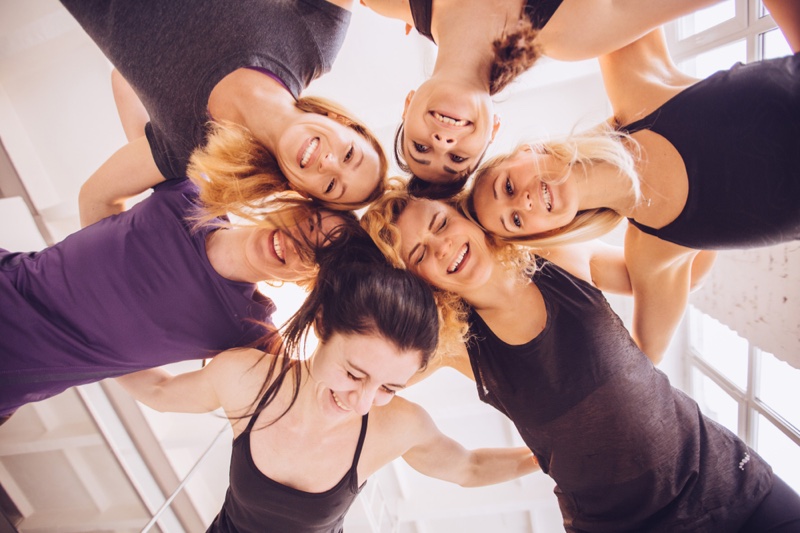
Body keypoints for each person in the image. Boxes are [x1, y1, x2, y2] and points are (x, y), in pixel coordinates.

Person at [361, 188, 800, 532]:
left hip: (724, 479)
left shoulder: (558, 254)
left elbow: (670, 275)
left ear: (463, 213)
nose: (440, 247)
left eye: (440, 223)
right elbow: (362, 376)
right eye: (418, 255)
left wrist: (702, 221)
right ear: (417, 283)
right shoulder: (454, 345)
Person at [116, 241, 540, 532]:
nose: (362, 400)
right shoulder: (246, 379)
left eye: (388, 387)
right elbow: (159, 393)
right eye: (354, 374)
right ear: (322, 325)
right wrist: (82, 341)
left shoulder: (395, 426)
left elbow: (469, 468)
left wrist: (552, 456)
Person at [466, 26, 800, 362]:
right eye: (516, 220)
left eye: (507, 186)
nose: (521, 201)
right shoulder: (654, 254)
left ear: (525, 151)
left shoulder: (638, 86)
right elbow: (644, 362)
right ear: (544, 232)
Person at [0, 154, 361, 423]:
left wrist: (106, 354)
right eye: (312, 223)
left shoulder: (250, 330)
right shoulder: (195, 192)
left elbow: (320, 393)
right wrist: (100, 268)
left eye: (316, 256)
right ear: (296, 204)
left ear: (306, 280)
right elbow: (125, 83)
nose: (300, 240)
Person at [61, 0, 388, 225]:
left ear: (303, 192)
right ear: (344, 123)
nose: (328, 164)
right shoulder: (313, 41)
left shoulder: (190, 151)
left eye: (331, 186)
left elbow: (94, 198)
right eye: (348, 155)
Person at [361, 0, 727, 193]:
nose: (442, 141)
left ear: (409, 104)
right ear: (493, 131)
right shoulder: (576, 34)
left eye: (421, 148)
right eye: (457, 157)